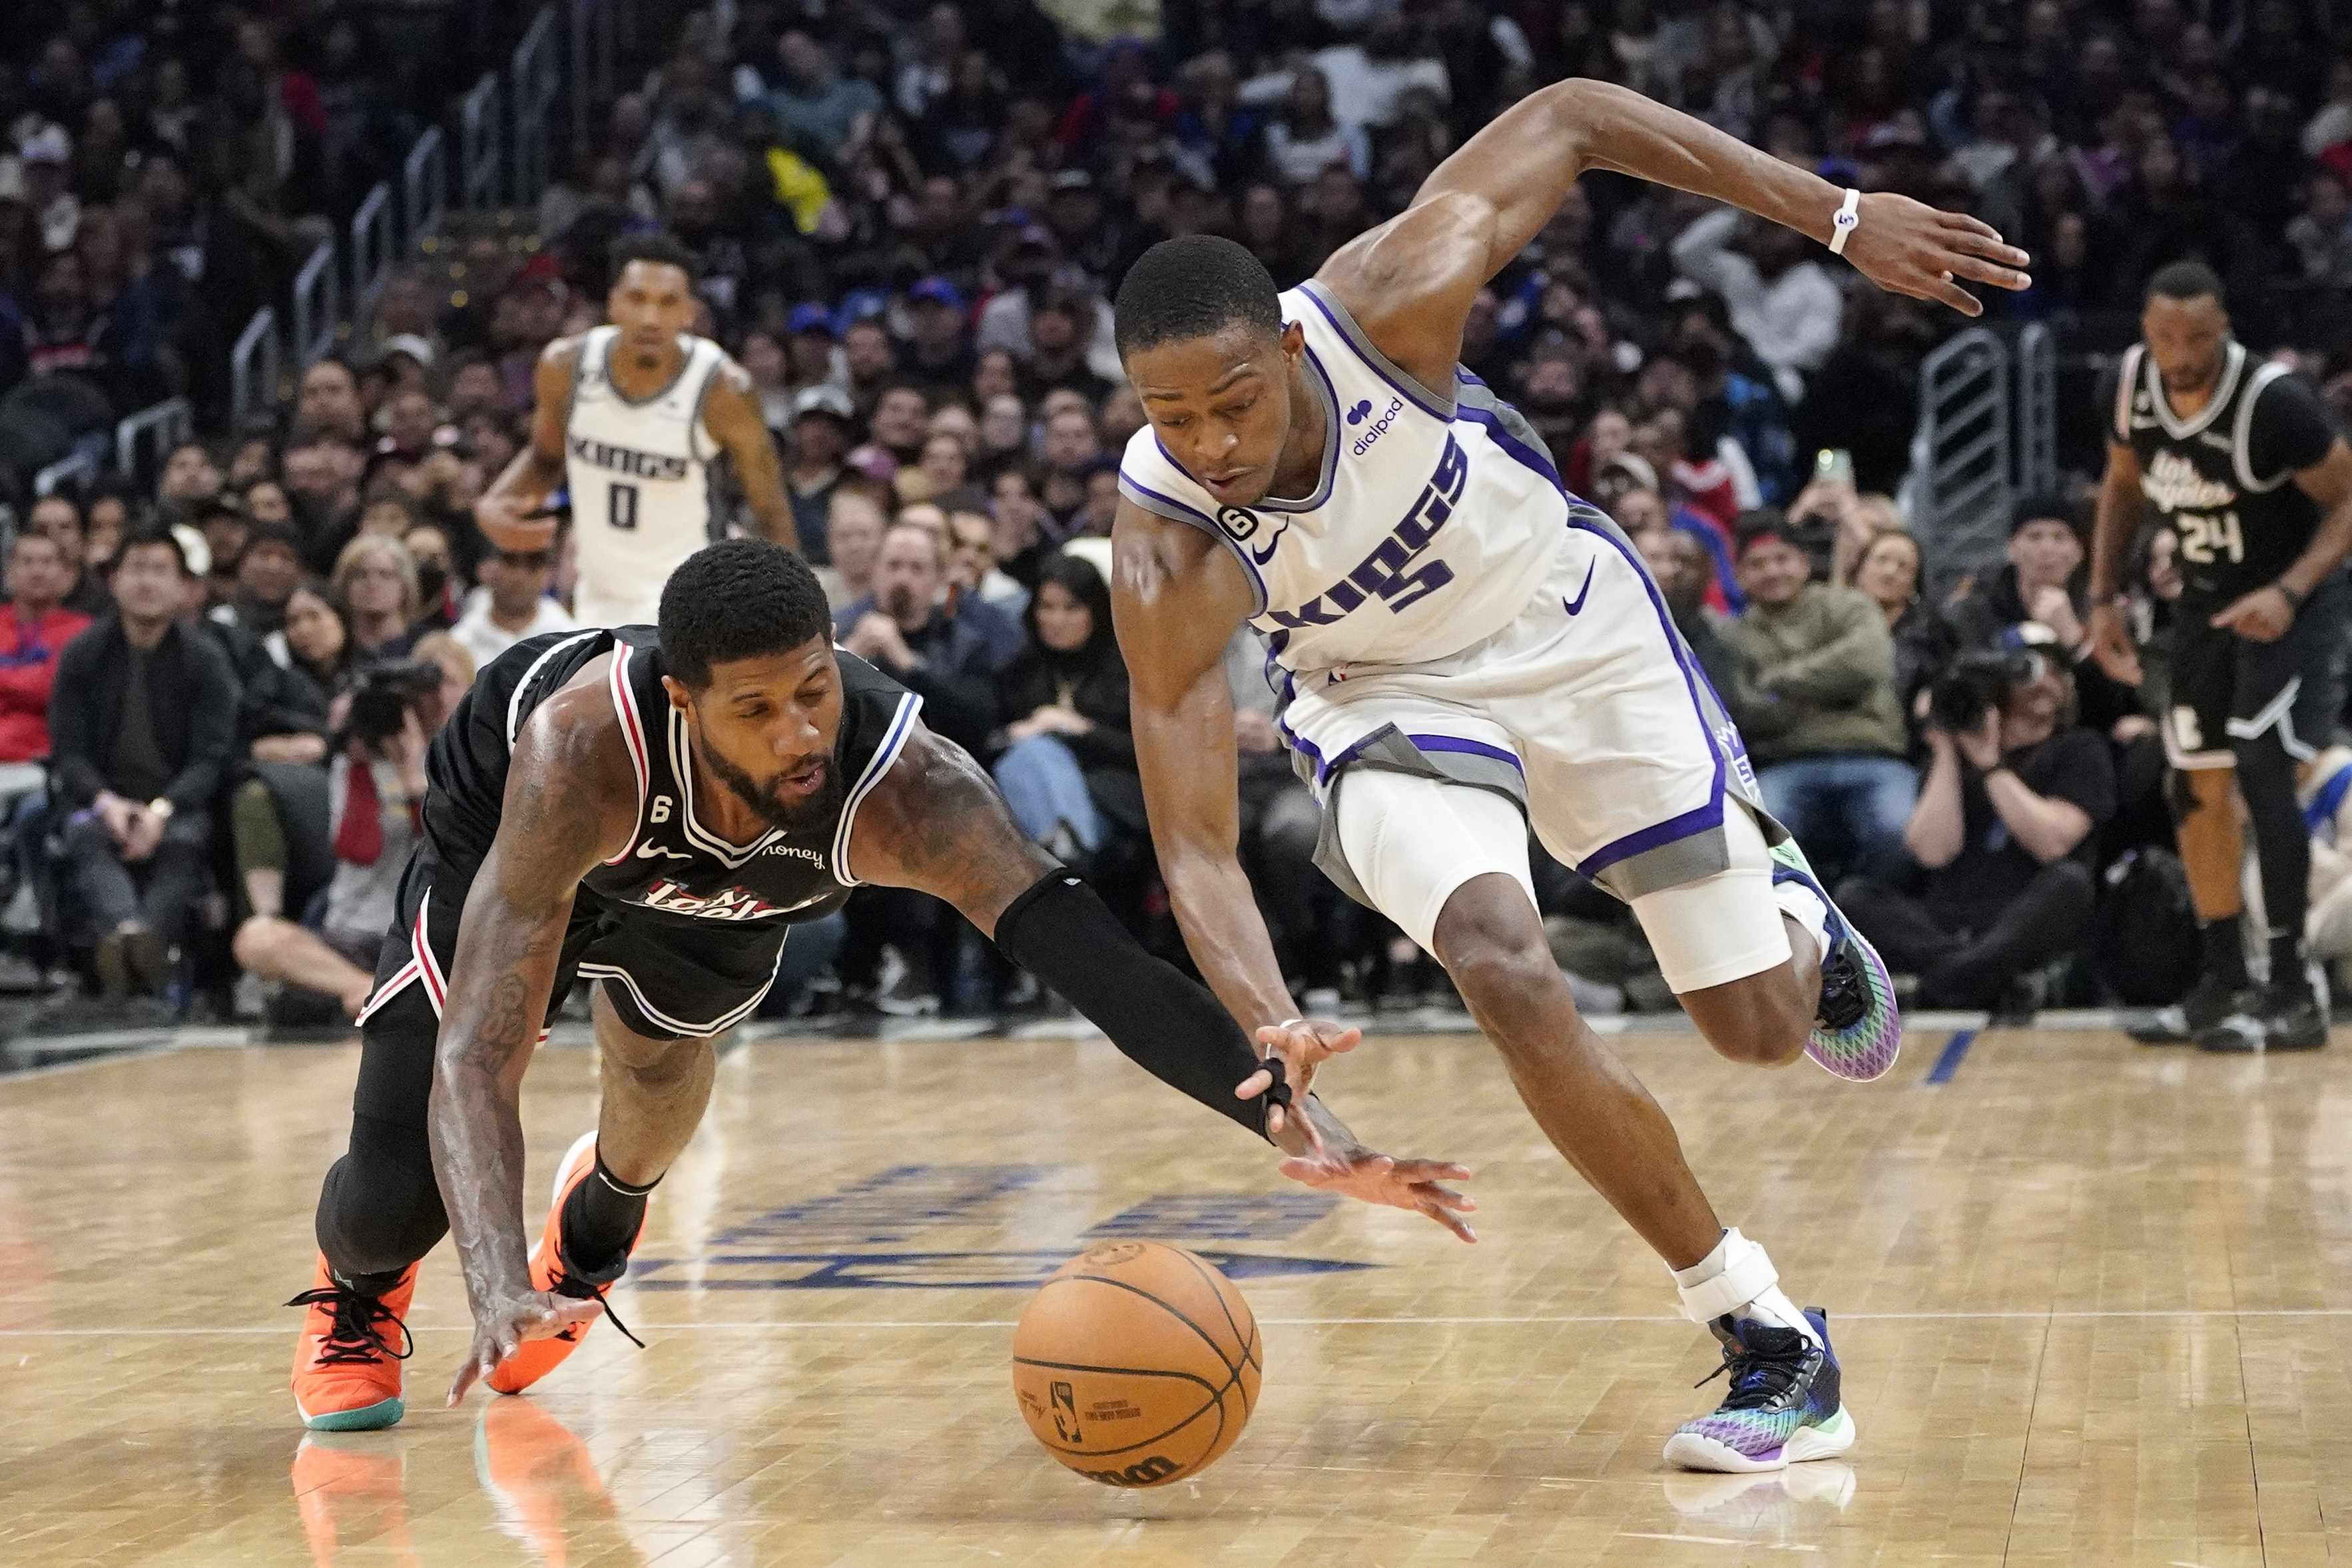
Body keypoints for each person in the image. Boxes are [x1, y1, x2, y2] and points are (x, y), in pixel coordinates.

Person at [1104, 72, 2028, 1472]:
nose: (1209, 444)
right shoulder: (1164, 542)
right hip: (1377, 696)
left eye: (1229, 402)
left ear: (1288, 348)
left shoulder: (1386, 297)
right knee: (1496, 950)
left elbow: (1576, 115)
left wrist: (1834, 217)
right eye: (1171, 417)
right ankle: (1765, 1332)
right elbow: (1192, 845)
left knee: (1760, 1031)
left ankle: (1788, 904)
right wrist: (1269, 1021)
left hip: (1570, 630)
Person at [287, 539, 1466, 1432]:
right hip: (516, 846)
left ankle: (591, 1242)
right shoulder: (574, 755)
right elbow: (479, 1058)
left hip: (729, 881)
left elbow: (1096, 962)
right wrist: (485, 1284)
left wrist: (1293, 1119)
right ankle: (361, 1293)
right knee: (400, 1198)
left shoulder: (911, 788)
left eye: (814, 688)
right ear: (684, 704)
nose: (802, 731)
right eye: (756, 710)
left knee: (652, 1072)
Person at [2084, 261, 2352, 1051]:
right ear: (2145, 331)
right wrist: (2103, 598)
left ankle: (2290, 988)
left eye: (2198, 336)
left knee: (2265, 770)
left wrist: (2292, 591)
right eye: (2166, 336)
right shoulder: (2128, 388)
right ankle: (2221, 979)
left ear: (2224, 328)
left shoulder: (2275, 404)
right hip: (2204, 602)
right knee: (2193, 788)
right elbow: (2123, 486)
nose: (2182, 352)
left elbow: (2346, 498)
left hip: (2289, 600)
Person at [471, 235, 799, 627]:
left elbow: (770, 511)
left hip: (693, 603)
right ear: (612, 303)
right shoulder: (565, 366)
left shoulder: (722, 388)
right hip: (597, 599)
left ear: (690, 313)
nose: (650, 317)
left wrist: (800, 610)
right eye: (637, 298)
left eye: (667, 303)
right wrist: (500, 500)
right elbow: (545, 457)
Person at [1837, 649, 2115, 1011]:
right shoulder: (1953, 758)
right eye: (2030, 673)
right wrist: (1948, 751)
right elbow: (1934, 852)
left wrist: (1991, 766)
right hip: (1946, 920)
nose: (2045, 682)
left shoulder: (2080, 748)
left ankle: (1946, 980)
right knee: (1853, 897)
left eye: (2055, 672)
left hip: (2024, 915)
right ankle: (1978, 975)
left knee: (2071, 883)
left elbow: (2053, 843)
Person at [47, 527, 238, 1003]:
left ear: (182, 586)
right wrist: (108, 802)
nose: (147, 582)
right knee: (89, 834)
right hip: (100, 797)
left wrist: (159, 810)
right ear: (115, 580)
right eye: (136, 568)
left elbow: (210, 759)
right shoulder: (83, 653)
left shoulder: (206, 659)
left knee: (182, 842)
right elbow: (69, 753)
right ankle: (138, 938)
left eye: (160, 571)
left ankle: (133, 943)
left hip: (177, 802)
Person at [1717, 515, 1916, 876]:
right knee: (1763, 842)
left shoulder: (1850, 606)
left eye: (1782, 559)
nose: (1773, 571)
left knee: (1898, 831)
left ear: (1804, 564)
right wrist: (1839, 690)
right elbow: (1747, 712)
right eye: (1757, 565)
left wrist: (1779, 681)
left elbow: (1867, 662)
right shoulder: (1733, 638)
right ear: (1740, 576)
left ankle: (1867, 913)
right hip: (1785, 763)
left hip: (1872, 753)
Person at [991, 555, 1141, 868]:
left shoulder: (1130, 672)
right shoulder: (1017, 671)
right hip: (1025, 797)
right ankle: (1065, 850)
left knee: (1038, 752)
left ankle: (1063, 851)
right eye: (1047, 607)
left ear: (1096, 612)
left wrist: (1079, 729)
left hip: (1110, 798)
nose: (1057, 620)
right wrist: (1021, 733)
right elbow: (988, 740)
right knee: (1030, 755)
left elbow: (1145, 754)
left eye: (1071, 608)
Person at [0, 530, 93, 778]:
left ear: (67, 576)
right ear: (9, 572)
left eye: (47, 562)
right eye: (27, 562)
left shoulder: (85, 633)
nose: (37, 571)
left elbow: (54, 690)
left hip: (47, 767)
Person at [451, 545, 577, 670]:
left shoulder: (571, 641)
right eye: (510, 562)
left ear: (546, 574)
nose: (520, 577)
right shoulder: (461, 644)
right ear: (485, 568)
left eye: (533, 566)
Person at [332, 536, 422, 664]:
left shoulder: (426, 647)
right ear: (345, 585)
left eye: (385, 575)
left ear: (405, 584)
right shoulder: (334, 652)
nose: (372, 584)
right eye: (361, 575)